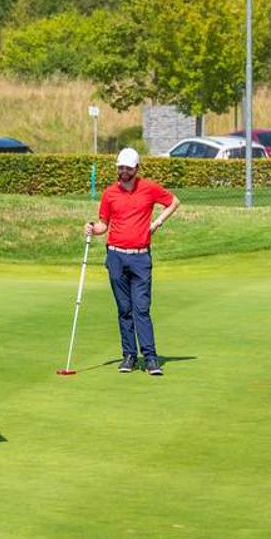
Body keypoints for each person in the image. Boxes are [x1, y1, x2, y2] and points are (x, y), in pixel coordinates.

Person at [84, 148, 180, 375]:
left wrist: (156, 224)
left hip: (140, 257)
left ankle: (150, 358)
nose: (124, 171)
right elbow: (103, 225)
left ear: (137, 168)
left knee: (142, 309)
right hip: (116, 256)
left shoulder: (149, 188)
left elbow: (174, 202)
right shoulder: (109, 194)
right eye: (121, 167)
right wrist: (92, 229)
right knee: (124, 309)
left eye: (128, 168)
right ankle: (129, 356)